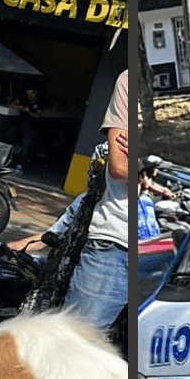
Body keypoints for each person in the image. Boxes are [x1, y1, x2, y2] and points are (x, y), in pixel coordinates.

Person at [64, 69, 129, 333]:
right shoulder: (129, 80)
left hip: (177, 246)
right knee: (73, 349)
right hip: (118, 244)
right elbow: (120, 166)